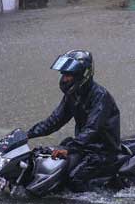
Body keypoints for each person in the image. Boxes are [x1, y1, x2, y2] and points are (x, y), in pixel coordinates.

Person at [27, 50, 121, 192]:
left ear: (82, 75)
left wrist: (68, 148)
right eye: (64, 74)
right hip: (84, 146)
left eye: (69, 75)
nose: (64, 79)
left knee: (74, 179)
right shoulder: (73, 94)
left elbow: (92, 129)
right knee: (53, 165)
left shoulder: (100, 97)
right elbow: (55, 120)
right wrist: (27, 134)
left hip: (102, 150)